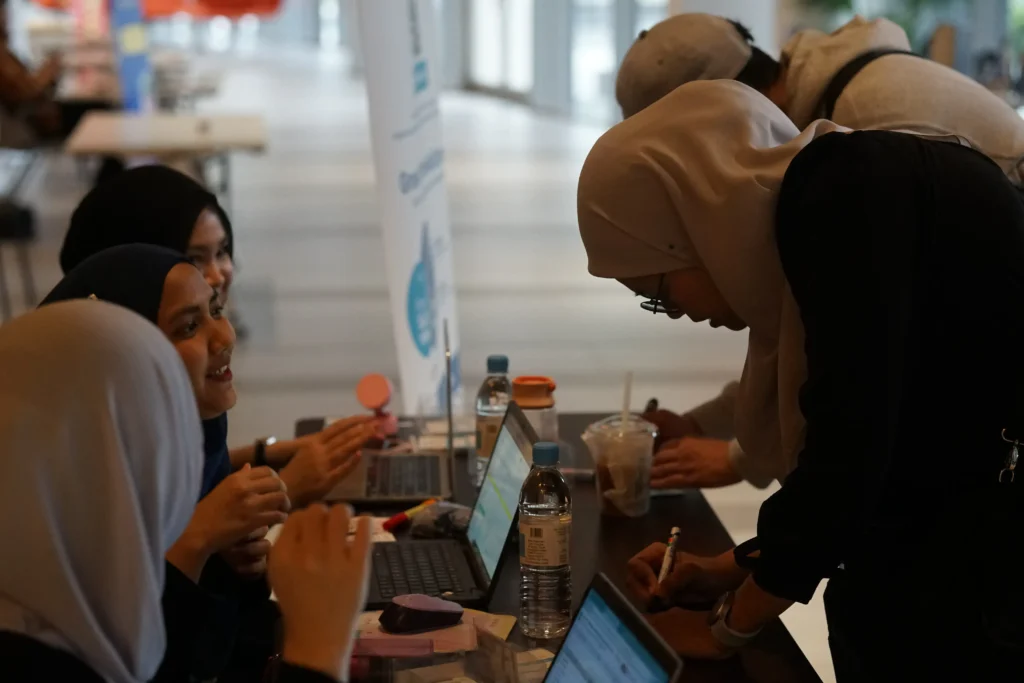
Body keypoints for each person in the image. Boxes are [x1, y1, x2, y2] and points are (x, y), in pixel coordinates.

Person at [578, 79, 1023, 679]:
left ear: (693, 222)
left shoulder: (842, 204)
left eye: (657, 292)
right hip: (944, 531)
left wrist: (726, 627)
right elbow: (861, 458)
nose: (674, 313)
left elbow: (849, 461)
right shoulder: (828, 199)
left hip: (978, 574)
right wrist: (732, 568)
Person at [616, 12, 1024, 491]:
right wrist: (704, 424)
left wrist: (738, 459)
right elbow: (806, 338)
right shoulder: (819, 124)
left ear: (714, 118)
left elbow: (866, 372)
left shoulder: (869, 138)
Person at [40, 245, 377, 681]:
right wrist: (318, 648)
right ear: (122, 360)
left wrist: (224, 559)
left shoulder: (181, 454)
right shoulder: (65, 520)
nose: (225, 337)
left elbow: (216, 647)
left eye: (216, 311)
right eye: (188, 326)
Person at [58, 168, 381, 497]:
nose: (217, 275)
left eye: (222, 251)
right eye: (193, 258)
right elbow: (161, 522)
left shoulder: (161, 393)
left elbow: (195, 475)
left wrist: (267, 455)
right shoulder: (97, 424)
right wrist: (287, 489)